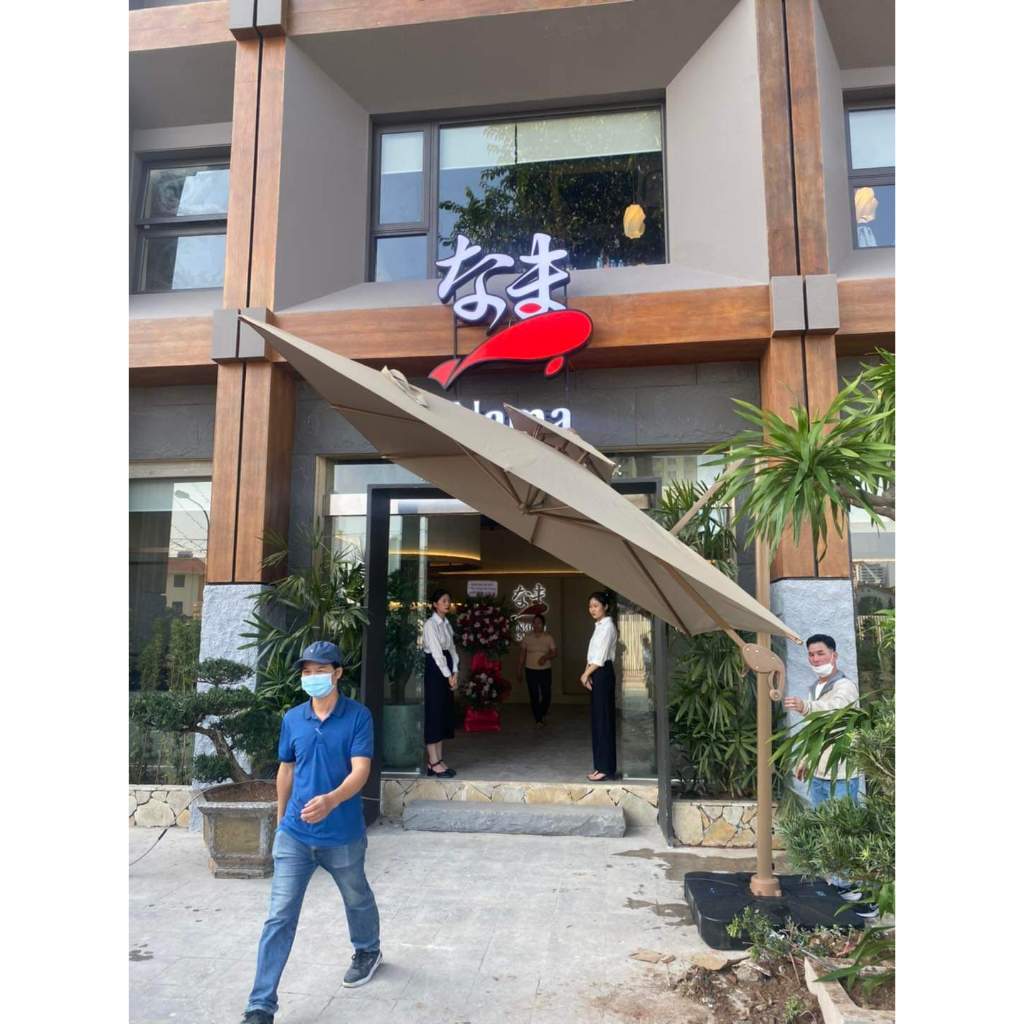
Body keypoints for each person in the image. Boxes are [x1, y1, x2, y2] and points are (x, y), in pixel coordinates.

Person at [241, 641, 381, 1024]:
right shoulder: (293, 719)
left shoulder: (358, 717)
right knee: (279, 917)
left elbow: (361, 770)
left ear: (338, 673)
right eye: (307, 672)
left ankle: (367, 950)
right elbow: (286, 770)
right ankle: (260, 1006)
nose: (312, 677)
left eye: (321, 670)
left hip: (342, 834)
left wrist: (331, 800)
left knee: (357, 897)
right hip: (295, 836)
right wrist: (281, 822)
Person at [783, 633, 871, 908]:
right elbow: (816, 732)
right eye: (811, 654)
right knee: (826, 830)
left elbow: (833, 711)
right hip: (819, 775)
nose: (815, 659)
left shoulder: (845, 687)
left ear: (834, 655)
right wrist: (805, 760)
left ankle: (857, 891)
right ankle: (837, 884)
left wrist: (806, 706)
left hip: (841, 775)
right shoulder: (815, 688)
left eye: (820, 653)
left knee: (844, 830)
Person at [581, 590, 618, 781]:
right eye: (590, 606)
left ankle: (606, 768)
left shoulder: (608, 627)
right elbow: (592, 654)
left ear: (605, 607)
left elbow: (601, 657)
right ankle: (600, 766)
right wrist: (587, 672)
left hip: (602, 672)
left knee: (603, 720)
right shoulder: (599, 626)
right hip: (596, 671)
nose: (592, 609)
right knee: (598, 721)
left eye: (596, 606)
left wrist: (585, 674)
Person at [423, 588, 459, 778]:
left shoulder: (446, 624)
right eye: (443, 600)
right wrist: (447, 675)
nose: (447, 603)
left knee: (443, 713)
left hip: (446, 669)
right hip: (435, 670)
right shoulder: (430, 625)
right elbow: (437, 653)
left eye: (448, 600)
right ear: (435, 604)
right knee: (434, 713)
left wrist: (455, 671)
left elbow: (452, 649)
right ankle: (433, 761)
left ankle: (438, 759)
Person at [518, 613, 557, 725]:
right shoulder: (527, 637)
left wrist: (545, 657)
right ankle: (538, 719)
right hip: (530, 670)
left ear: (543, 625)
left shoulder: (548, 637)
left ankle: (542, 711)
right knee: (534, 694)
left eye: (539, 623)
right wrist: (519, 670)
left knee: (546, 694)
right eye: (534, 623)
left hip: (545, 670)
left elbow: (554, 653)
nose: (536, 625)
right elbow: (522, 655)